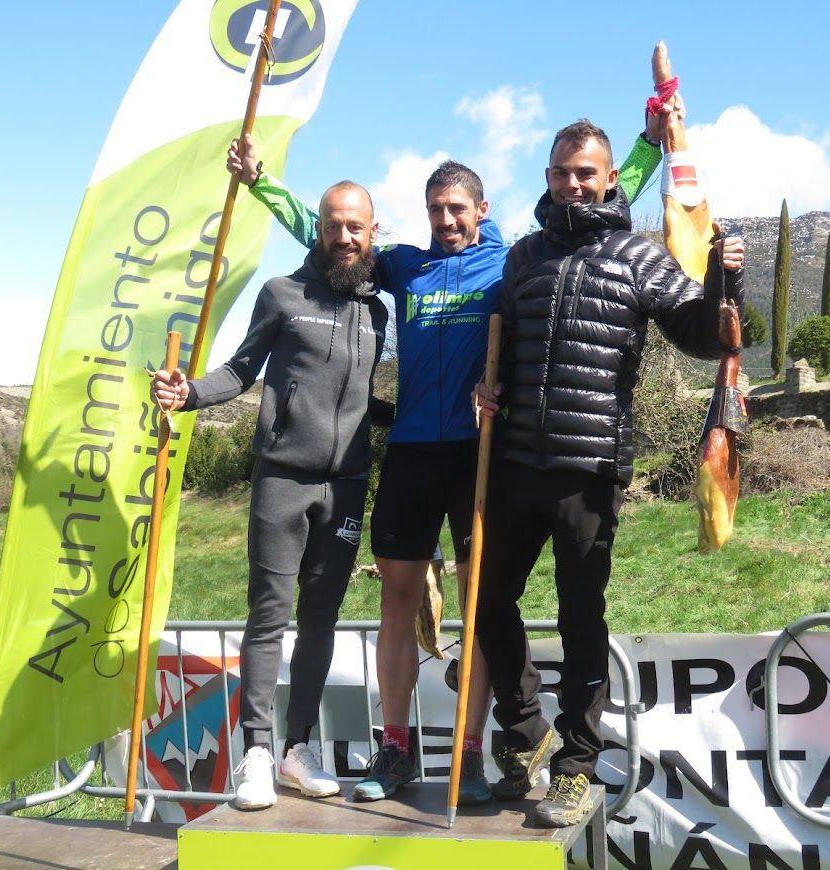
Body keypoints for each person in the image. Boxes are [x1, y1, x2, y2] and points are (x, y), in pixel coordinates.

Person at [227, 96, 678, 806]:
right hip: (409, 454)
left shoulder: (512, 259)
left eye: (458, 209)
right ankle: (398, 748)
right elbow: (333, 240)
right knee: (399, 602)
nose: (446, 221)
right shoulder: (405, 267)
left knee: (478, 606)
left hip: (480, 457)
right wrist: (261, 185)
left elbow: (590, 196)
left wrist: (649, 146)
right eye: (436, 209)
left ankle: (471, 753)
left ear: (482, 208)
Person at [472, 118, 745, 827]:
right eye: (562, 172)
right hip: (513, 463)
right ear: (548, 177)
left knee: (578, 617)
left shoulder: (637, 255)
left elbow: (700, 335)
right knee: (485, 599)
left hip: (589, 469)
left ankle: (577, 763)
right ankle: (529, 730)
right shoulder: (524, 257)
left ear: (610, 178)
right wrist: (485, 385)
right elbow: (502, 347)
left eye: (585, 172)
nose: (573, 183)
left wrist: (723, 277)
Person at [151, 181, 389, 810]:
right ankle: (257, 753)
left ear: (373, 232)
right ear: (319, 229)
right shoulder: (282, 294)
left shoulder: (378, 310)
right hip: (282, 478)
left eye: (355, 227)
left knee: (320, 622)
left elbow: (364, 396)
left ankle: (298, 751)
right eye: (333, 225)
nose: (344, 237)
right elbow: (241, 369)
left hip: (346, 486)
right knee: (268, 618)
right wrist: (189, 392)